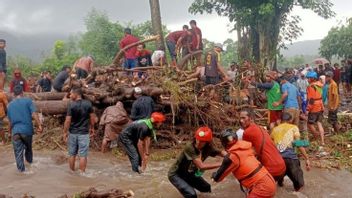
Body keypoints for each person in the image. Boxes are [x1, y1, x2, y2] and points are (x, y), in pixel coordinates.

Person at [212, 129, 276, 198]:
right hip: (269, 180)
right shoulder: (246, 147)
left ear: (223, 143)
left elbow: (218, 178)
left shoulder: (232, 157)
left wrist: (214, 175)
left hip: (262, 187)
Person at [168, 127, 225, 198]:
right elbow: (201, 166)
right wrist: (222, 163)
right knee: (191, 194)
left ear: (207, 142)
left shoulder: (208, 148)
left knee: (206, 188)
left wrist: (231, 156)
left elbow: (220, 152)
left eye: (202, 141)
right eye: (198, 139)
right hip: (176, 174)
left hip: (189, 173)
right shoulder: (190, 147)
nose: (198, 142)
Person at [239, 108, 286, 181]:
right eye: (240, 118)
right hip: (282, 167)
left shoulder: (247, 132)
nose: (241, 121)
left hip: (272, 172)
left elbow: (246, 154)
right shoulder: (261, 128)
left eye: (243, 118)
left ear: (251, 118)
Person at [271, 113, 310, 191]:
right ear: (290, 120)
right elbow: (298, 144)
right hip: (290, 158)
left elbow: (271, 145)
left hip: (277, 159)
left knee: (278, 177)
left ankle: (280, 181)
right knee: (299, 185)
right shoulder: (293, 127)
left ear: (280, 120)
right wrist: (307, 158)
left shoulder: (274, 129)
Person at [7, 85, 42, 172]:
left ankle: (21, 172)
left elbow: (10, 122)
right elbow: (34, 114)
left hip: (15, 132)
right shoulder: (28, 101)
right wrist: (39, 125)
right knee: (28, 149)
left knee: (18, 153)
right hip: (27, 131)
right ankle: (30, 165)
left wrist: (9, 131)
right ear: (22, 93)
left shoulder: (10, 105)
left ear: (14, 94)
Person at [63, 88, 96, 173]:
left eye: (71, 94)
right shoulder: (88, 104)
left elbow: (67, 120)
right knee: (83, 155)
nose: (70, 95)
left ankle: (71, 172)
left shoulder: (71, 105)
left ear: (76, 94)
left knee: (72, 154)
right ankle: (82, 174)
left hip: (73, 133)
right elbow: (92, 118)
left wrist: (65, 132)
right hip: (84, 133)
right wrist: (92, 128)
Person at [306, 71, 325, 146]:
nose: (308, 79)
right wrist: (322, 106)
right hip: (320, 106)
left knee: (310, 124)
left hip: (314, 107)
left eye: (309, 78)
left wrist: (308, 109)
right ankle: (322, 141)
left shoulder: (311, 86)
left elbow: (311, 100)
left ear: (312, 78)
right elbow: (320, 97)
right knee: (319, 123)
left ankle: (316, 137)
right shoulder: (320, 85)